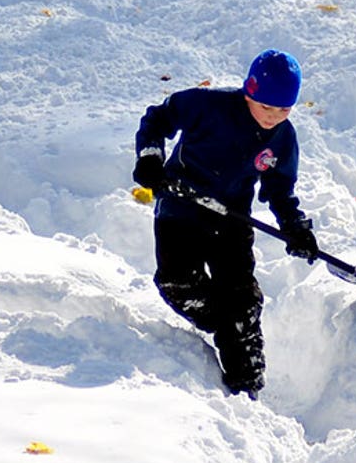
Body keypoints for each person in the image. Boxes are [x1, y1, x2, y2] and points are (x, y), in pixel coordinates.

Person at [133, 49, 319, 398]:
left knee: (242, 300)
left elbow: (279, 188)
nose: (273, 117)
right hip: (180, 208)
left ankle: (247, 388)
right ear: (249, 92)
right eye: (266, 107)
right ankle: (227, 327)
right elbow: (158, 119)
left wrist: (295, 226)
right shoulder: (208, 106)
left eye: (284, 110)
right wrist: (151, 157)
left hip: (232, 219)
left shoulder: (283, 137)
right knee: (178, 283)